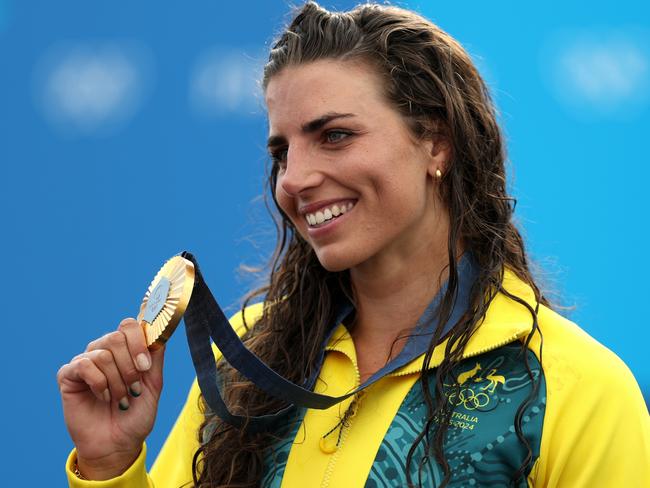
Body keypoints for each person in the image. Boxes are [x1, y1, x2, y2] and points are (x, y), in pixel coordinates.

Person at [57, 2, 650, 487]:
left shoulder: (574, 386)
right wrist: (111, 463)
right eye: (282, 150)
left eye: (335, 135)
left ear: (436, 144)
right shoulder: (247, 358)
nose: (294, 178)